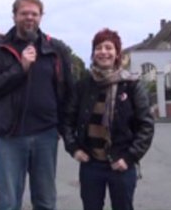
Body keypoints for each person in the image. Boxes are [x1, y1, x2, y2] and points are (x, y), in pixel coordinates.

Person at [0, 0, 74, 210]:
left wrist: (63, 127)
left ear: (41, 17)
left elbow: (69, 91)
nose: (29, 18)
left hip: (46, 134)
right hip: (11, 137)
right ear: (14, 16)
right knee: (8, 202)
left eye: (34, 13)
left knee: (45, 200)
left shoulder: (56, 49)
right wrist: (20, 68)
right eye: (24, 13)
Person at [61, 28, 154, 210]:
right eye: (98, 48)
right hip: (91, 165)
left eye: (108, 47)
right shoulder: (83, 85)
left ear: (117, 53)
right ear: (93, 53)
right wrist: (73, 148)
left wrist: (129, 157)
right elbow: (67, 120)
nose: (103, 52)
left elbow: (146, 126)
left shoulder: (131, 85)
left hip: (121, 165)